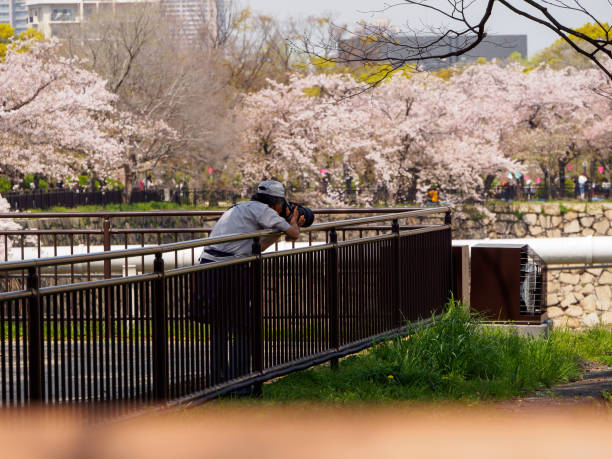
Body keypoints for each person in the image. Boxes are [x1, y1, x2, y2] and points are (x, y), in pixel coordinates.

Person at [195, 180, 305, 389]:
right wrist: (293, 222)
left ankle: (218, 383)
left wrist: (277, 231)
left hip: (209, 267)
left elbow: (256, 247)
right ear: (277, 203)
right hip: (230, 270)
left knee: (220, 327)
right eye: (284, 204)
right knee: (243, 325)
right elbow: (294, 234)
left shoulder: (241, 208)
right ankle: (241, 382)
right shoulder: (264, 211)